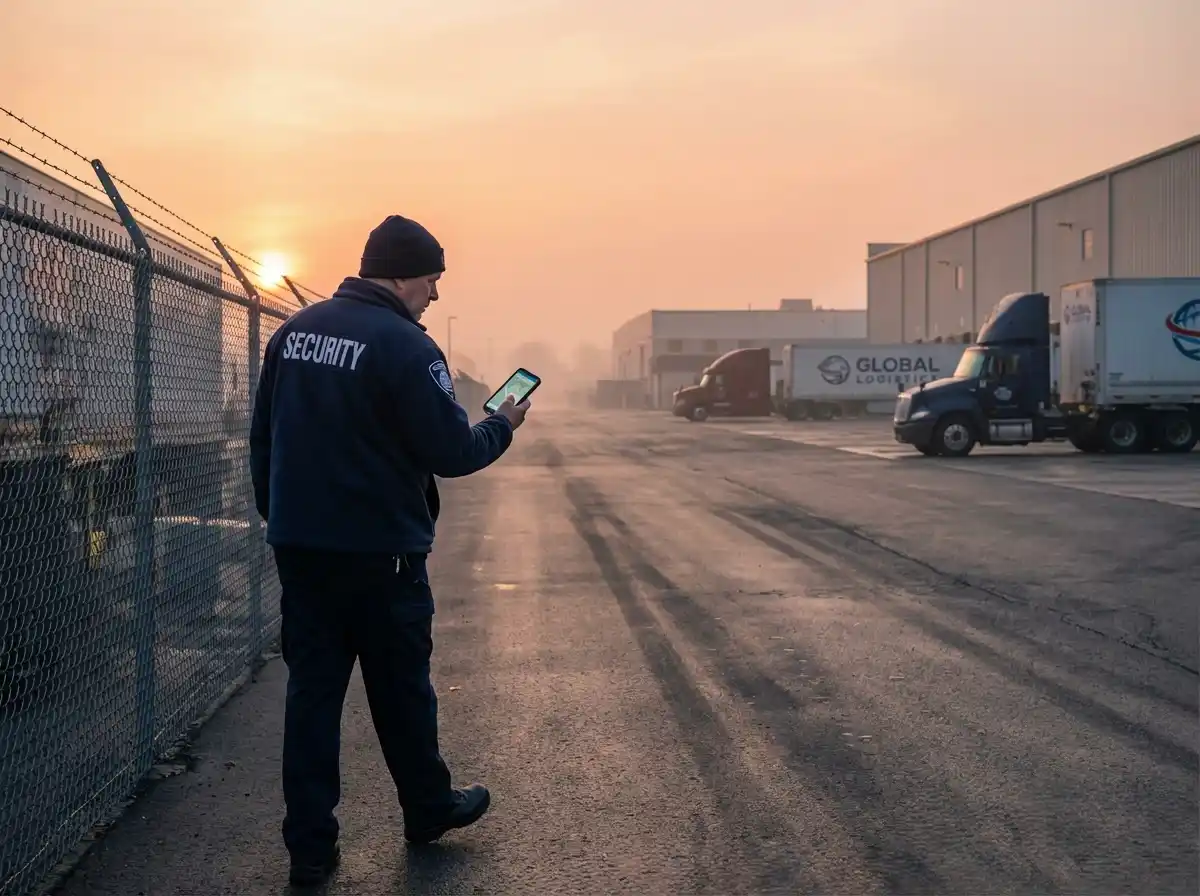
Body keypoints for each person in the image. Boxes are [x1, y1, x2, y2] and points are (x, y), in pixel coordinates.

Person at [249, 214, 530, 888]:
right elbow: (452, 452)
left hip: (304, 551)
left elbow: (264, 439)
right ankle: (428, 809)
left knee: (312, 699)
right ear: (404, 274)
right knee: (402, 691)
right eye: (432, 279)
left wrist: (283, 519)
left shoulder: (293, 333)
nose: (435, 294)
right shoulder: (407, 348)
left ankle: (310, 848)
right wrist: (501, 424)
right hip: (382, 558)